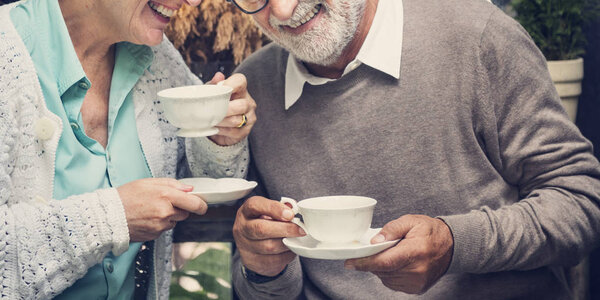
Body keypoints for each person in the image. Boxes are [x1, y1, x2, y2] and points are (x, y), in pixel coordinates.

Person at [229, 0, 600, 299]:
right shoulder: (254, 90)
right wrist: (262, 270)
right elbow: (266, 286)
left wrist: (456, 245)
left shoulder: (476, 35)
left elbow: (581, 202)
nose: (281, 10)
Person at [0, 0, 257, 298]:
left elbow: (203, 176)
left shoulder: (157, 57)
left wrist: (219, 137)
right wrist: (110, 219)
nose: (194, 2)